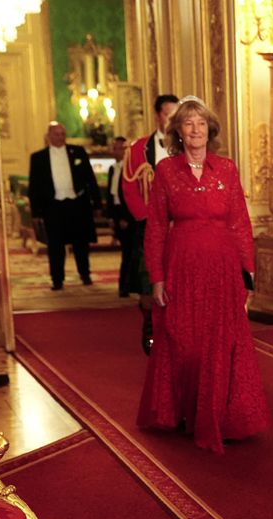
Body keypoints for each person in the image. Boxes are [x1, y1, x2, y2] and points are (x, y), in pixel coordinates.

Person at [136, 96, 269, 454]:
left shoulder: (226, 168)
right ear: (177, 131)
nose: (195, 129)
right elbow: (156, 227)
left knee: (221, 341)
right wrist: (157, 277)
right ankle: (187, 412)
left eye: (201, 123)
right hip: (181, 268)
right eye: (188, 123)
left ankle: (223, 416)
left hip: (223, 269)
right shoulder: (166, 171)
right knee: (185, 341)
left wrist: (248, 273)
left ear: (210, 130)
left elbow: (240, 222)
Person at [122, 94, 180, 354]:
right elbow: (129, 188)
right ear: (158, 116)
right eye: (168, 114)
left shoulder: (187, 146)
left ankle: (175, 328)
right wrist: (148, 219)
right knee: (148, 280)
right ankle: (149, 324)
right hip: (149, 226)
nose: (172, 120)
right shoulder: (138, 149)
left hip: (180, 225)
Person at [27, 121, 101, 290]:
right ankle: (57, 279)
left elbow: (90, 179)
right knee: (55, 245)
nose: (60, 137)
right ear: (49, 136)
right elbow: (34, 187)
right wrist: (36, 212)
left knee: (81, 243)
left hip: (77, 204)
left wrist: (97, 204)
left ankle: (85, 274)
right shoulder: (38, 158)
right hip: (53, 206)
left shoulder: (78, 152)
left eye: (62, 134)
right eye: (56, 134)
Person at [106, 136, 135, 297]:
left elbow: (131, 195)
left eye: (120, 148)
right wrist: (111, 217)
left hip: (127, 215)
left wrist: (127, 217)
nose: (117, 152)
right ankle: (125, 285)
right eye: (115, 148)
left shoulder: (131, 169)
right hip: (117, 213)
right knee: (125, 250)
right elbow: (112, 195)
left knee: (128, 252)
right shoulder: (113, 169)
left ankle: (125, 285)